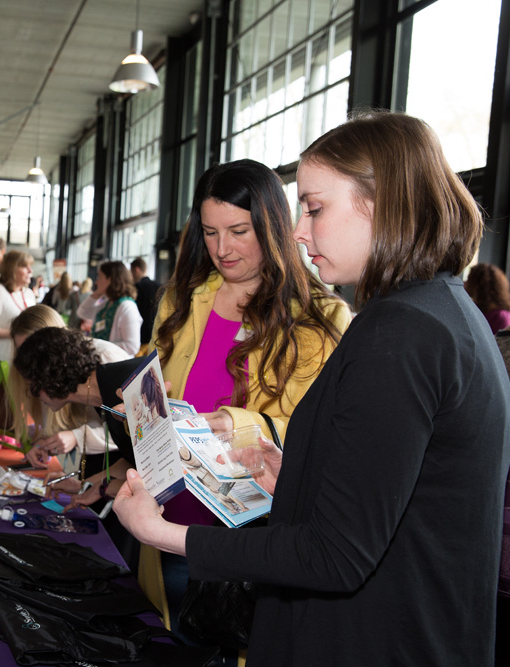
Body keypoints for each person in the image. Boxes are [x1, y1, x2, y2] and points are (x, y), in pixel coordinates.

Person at [114, 111, 510, 665]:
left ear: (382, 202)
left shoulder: (402, 332)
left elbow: (335, 555)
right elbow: (401, 504)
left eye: (315, 207)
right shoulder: (441, 313)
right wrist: (297, 486)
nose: (299, 230)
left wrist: (164, 534)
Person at [140, 158, 352, 636]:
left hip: (257, 541)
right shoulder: (181, 300)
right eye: (210, 232)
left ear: (275, 226)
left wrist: (238, 425)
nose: (222, 249)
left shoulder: (320, 321)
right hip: (168, 523)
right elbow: (150, 385)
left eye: (238, 231)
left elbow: (328, 439)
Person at [8, 305, 129, 478]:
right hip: (105, 467)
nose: (28, 360)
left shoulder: (107, 360)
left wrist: (77, 437)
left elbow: (131, 434)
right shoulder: (51, 384)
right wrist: (50, 445)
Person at [0, 249, 35, 361]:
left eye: (30, 266)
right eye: (24, 266)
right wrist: (16, 334)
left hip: (22, 357)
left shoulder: (29, 294)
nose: (30, 271)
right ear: (12, 269)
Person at [76, 260, 143, 355]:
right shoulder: (107, 302)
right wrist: (97, 293)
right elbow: (82, 313)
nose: (96, 282)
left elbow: (132, 347)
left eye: (99, 277)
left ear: (110, 279)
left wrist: (97, 345)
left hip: (116, 366)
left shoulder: (127, 307)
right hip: (102, 361)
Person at [464, 262, 510, 333]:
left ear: (478, 286)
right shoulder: (482, 313)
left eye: (468, 279)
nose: (464, 283)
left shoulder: (502, 318)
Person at [130, 257, 160, 344]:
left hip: (141, 333)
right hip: (155, 330)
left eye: (131, 272)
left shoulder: (137, 287)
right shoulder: (159, 286)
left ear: (136, 270)